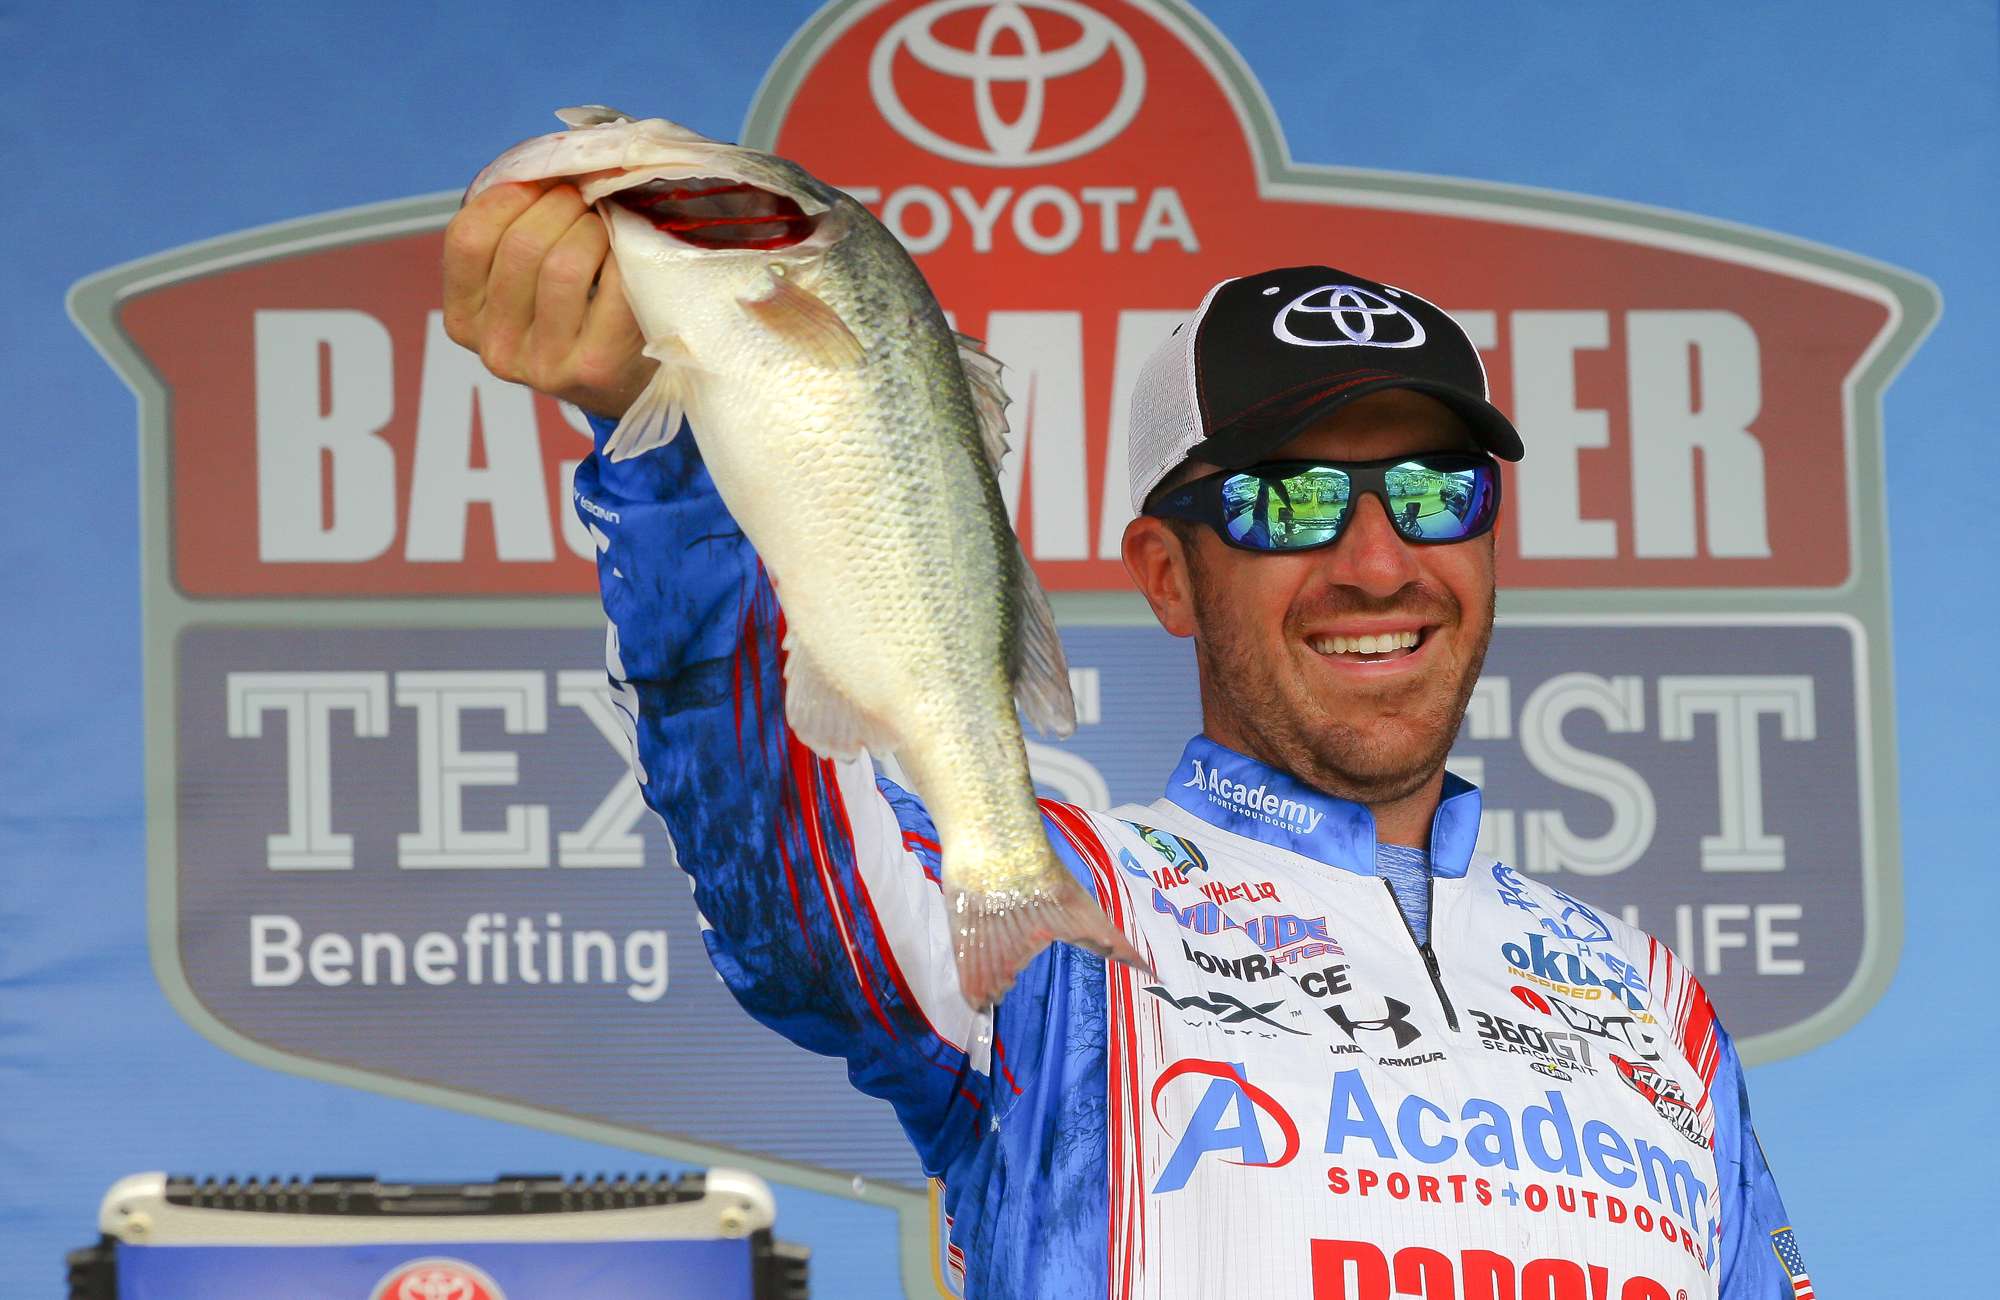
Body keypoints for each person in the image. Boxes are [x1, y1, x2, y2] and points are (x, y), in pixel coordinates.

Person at [443, 183, 1809, 1300]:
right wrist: (662, 446)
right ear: (1167, 574)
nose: (1379, 562)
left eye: (1434, 492)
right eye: (1289, 502)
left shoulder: (1656, 1008)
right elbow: (777, 854)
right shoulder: (1055, 919)